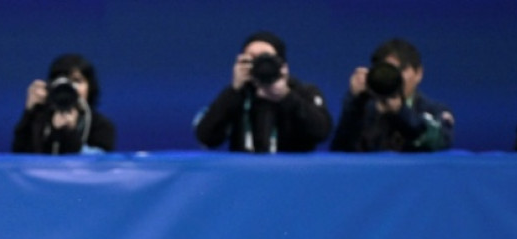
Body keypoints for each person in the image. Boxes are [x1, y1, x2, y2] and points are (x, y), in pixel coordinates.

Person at [194, 31, 333, 153]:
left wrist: (287, 97)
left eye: (266, 59)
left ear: (283, 66)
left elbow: (321, 132)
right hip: (244, 172)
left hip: (292, 171)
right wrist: (234, 91)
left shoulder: (303, 92)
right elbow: (206, 138)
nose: (260, 65)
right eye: (252, 59)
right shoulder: (237, 95)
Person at [330, 38, 454, 153]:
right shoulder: (364, 109)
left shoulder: (434, 111)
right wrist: (355, 102)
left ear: (418, 73)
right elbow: (341, 151)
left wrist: (401, 112)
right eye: (388, 70)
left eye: (402, 69)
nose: (396, 77)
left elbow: (438, 142)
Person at [12, 53, 116, 154]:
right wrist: (29, 112)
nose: (70, 87)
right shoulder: (40, 120)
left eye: (77, 81)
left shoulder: (101, 125)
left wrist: (70, 132)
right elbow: (19, 157)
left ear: (90, 86)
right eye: (63, 81)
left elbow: (99, 161)